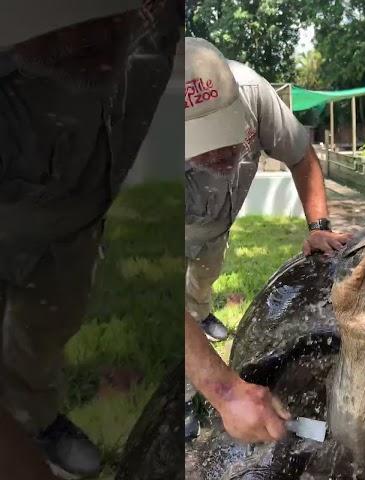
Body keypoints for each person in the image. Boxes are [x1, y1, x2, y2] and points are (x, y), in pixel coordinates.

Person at [0, 1, 182, 477]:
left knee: (47, 328)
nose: (83, 38)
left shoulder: (162, 22)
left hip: (76, 226)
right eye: (51, 23)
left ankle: (34, 417)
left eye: (100, 14)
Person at [183, 37, 351, 441]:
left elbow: (300, 155)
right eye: (201, 146)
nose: (219, 152)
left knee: (204, 276)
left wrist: (319, 227)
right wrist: (223, 390)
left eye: (225, 133)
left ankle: (200, 308)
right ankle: (183, 398)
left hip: (215, 227)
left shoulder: (255, 93)